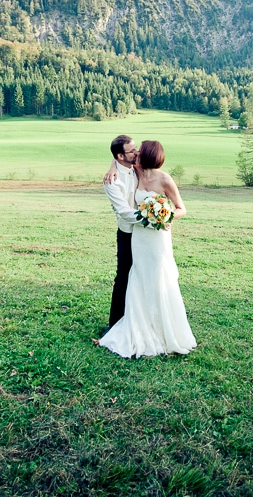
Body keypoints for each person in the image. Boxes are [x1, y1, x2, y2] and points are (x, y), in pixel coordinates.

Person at [99, 140, 197, 358]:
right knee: (132, 277)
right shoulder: (130, 171)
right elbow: (118, 157)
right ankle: (123, 322)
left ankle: (162, 326)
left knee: (158, 277)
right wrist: (112, 166)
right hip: (134, 235)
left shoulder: (163, 178)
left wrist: (165, 216)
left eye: (139, 151)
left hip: (157, 237)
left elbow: (182, 209)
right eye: (133, 151)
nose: (136, 153)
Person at [102, 135, 139, 332]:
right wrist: (151, 219)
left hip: (146, 235)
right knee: (123, 277)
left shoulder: (137, 165)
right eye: (132, 151)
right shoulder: (111, 181)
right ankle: (115, 324)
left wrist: (113, 163)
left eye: (136, 148)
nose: (136, 152)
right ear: (120, 156)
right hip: (128, 234)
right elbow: (124, 212)